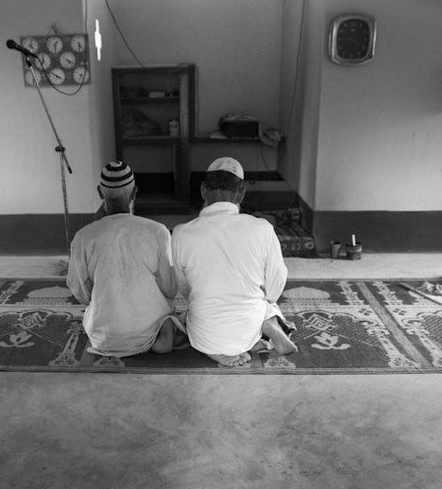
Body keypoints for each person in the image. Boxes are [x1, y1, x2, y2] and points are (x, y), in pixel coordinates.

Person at [171, 157, 297, 366]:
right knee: (266, 303)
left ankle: (220, 349)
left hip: (206, 336)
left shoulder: (181, 233)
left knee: (187, 314)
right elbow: (277, 282)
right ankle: (268, 325)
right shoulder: (262, 228)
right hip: (249, 326)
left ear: (203, 191)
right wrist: (263, 300)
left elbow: (183, 287)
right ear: (242, 192)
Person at [67, 161, 180, 358]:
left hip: (104, 337)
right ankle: (160, 336)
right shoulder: (157, 231)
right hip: (149, 330)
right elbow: (170, 289)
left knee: (95, 310)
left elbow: (78, 289)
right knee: (169, 311)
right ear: (134, 192)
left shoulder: (84, 236)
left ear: (100, 193)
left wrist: (102, 299)